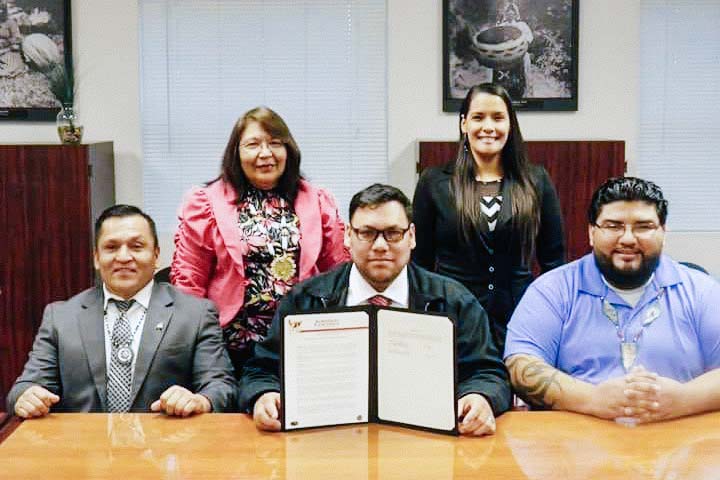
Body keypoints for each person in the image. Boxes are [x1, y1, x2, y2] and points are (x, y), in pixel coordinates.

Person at [240, 184, 511, 436]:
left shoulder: (454, 301)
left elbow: (488, 373)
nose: (380, 246)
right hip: (327, 441)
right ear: (348, 235)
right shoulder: (305, 299)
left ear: (412, 237)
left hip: (423, 442)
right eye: (367, 233)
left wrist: (480, 396)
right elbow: (260, 371)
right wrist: (264, 394)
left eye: (393, 233)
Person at [504, 177, 720, 423]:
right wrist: (593, 399)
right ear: (592, 233)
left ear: (663, 233)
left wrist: (683, 399)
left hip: (678, 444)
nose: (628, 238)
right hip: (576, 448)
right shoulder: (552, 290)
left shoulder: (702, 291)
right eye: (613, 226)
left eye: (643, 226)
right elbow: (520, 364)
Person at [7, 205, 236, 418]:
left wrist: (200, 400)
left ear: (156, 255)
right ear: (97, 258)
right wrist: (26, 397)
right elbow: (25, 386)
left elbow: (220, 386)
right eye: (111, 247)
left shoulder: (195, 314)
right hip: (84, 454)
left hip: (165, 450)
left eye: (137, 246)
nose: (124, 257)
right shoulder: (61, 317)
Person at [171, 107, 349, 376]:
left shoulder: (318, 200)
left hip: (302, 339)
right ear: (236, 153)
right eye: (253, 144)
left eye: (275, 143)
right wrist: (190, 347)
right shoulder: (205, 204)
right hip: (230, 344)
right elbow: (189, 281)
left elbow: (339, 273)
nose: (265, 153)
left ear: (288, 150)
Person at [412, 83, 564, 353]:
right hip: (453, 319)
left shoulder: (536, 180)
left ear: (510, 124)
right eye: (478, 117)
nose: (488, 127)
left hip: (521, 319)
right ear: (463, 124)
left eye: (498, 117)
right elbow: (419, 264)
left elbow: (554, 263)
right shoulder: (434, 182)